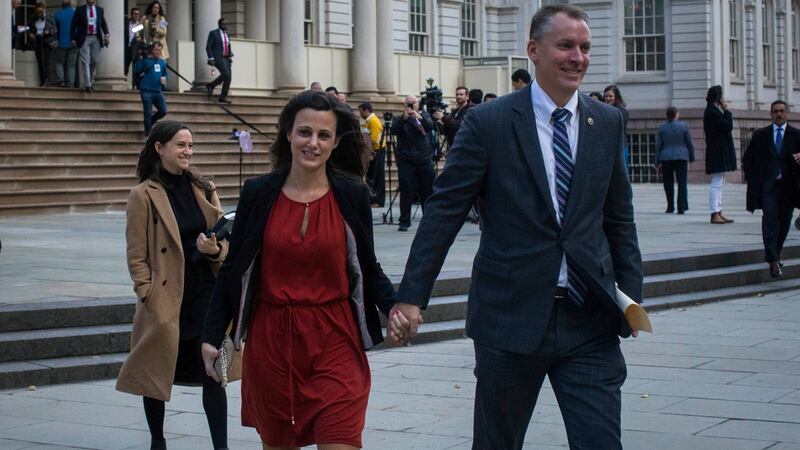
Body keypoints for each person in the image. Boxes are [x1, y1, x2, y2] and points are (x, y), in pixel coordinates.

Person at [388, 5, 643, 449]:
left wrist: (631, 296)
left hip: (590, 320)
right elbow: (444, 212)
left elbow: (619, 218)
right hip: (510, 320)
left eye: (584, 48)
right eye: (565, 45)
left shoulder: (606, 122)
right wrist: (411, 296)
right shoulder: (490, 122)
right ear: (533, 50)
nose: (577, 57)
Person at [201, 90, 400, 450]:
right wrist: (212, 334)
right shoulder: (258, 193)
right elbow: (233, 270)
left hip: (336, 338)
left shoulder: (351, 194)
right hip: (273, 344)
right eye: (304, 132)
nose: (313, 143)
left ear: (336, 142)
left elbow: (368, 267)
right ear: (288, 133)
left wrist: (397, 306)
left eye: (324, 135)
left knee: (340, 438)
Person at [116, 120, 231, 450]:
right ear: (159, 148)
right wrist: (146, 290)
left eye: (191, 146)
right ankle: (158, 440)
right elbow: (135, 253)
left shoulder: (204, 188)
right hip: (165, 297)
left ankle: (221, 446)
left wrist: (216, 249)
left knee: (213, 370)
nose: (187, 152)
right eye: (181, 145)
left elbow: (226, 240)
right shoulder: (143, 195)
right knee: (154, 371)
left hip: (203, 294)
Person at [743, 100, 799, 278]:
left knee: (784, 222)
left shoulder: (796, 135)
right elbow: (748, 159)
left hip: (789, 187)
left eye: (782, 111)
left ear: (787, 113)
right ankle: (773, 262)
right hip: (768, 187)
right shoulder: (761, 135)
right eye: (775, 111)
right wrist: (755, 179)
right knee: (770, 221)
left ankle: (775, 253)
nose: (779, 114)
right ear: (771, 114)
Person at [390, 95, 435, 232]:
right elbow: (394, 130)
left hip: (424, 159)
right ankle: (404, 221)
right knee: (406, 191)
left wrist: (417, 116)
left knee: (427, 191)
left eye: (413, 103)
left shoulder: (424, 116)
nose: (411, 105)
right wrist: (404, 118)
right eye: (408, 103)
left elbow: (429, 126)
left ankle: (428, 220)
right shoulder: (400, 118)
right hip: (406, 160)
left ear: (418, 104)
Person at [704, 85, 737, 224]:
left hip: (718, 150)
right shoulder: (712, 112)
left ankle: (718, 210)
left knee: (720, 182)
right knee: (716, 183)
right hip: (717, 151)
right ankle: (714, 212)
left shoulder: (713, 110)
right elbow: (728, 127)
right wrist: (727, 110)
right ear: (719, 98)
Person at [655, 106, 695, 214]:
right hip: (681, 157)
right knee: (682, 182)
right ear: (676, 114)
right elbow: (689, 143)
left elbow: (658, 145)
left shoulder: (662, 127)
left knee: (668, 183)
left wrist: (656, 161)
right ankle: (681, 207)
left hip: (666, 157)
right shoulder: (683, 126)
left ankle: (670, 206)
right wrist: (692, 156)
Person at [70, 0, 108, 93]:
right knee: (85, 60)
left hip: (96, 37)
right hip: (84, 37)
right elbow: (73, 25)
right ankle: (88, 85)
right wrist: (73, 39)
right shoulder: (80, 9)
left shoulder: (99, 9)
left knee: (95, 60)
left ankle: (89, 81)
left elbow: (103, 23)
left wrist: (107, 34)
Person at [134, 42, 168, 137]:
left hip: (158, 90)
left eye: (159, 50)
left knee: (163, 110)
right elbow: (136, 69)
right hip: (146, 89)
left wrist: (164, 78)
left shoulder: (162, 62)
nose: (158, 52)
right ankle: (148, 132)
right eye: (156, 50)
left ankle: (151, 121)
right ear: (152, 50)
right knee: (147, 111)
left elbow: (164, 73)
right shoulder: (145, 60)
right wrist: (139, 58)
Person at [359, 101, 386, 207]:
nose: (360, 114)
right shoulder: (368, 121)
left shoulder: (373, 121)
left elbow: (374, 139)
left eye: (361, 111)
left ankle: (378, 201)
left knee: (377, 176)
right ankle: (372, 199)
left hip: (377, 150)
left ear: (366, 110)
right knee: (371, 176)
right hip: (372, 150)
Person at [27, 2, 56, 86]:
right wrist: (30, 34)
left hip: (48, 42)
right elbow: (27, 28)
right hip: (38, 41)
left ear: (44, 10)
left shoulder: (50, 17)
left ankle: (48, 81)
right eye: (38, 13)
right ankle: (42, 81)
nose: (39, 15)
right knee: (40, 62)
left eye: (41, 13)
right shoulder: (32, 18)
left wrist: (49, 32)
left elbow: (55, 30)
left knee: (46, 62)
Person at [205, 18, 233, 104]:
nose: (226, 26)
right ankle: (211, 85)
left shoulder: (227, 35)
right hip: (218, 58)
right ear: (219, 24)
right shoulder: (213, 33)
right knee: (226, 75)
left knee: (228, 77)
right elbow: (208, 47)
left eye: (227, 24)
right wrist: (211, 58)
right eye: (224, 24)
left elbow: (227, 46)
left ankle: (222, 96)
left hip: (226, 59)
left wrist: (229, 56)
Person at [604, 84, 629, 170]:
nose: (608, 98)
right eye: (606, 96)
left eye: (611, 96)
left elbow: (618, 129)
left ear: (616, 97)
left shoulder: (621, 111)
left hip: (619, 147)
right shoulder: (605, 110)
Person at [52, 0, 76, 88]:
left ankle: (61, 81)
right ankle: (71, 84)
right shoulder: (75, 14)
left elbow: (55, 30)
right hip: (74, 42)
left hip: (61, 42)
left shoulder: (58, 14)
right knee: (71, 64)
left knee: (59, 62)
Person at [124, 7, 141, 79]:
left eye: (138, 14)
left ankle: (137, 85)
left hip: (136, 49)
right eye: (134, 13)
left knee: (137, 68)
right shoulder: (126, 23)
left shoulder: (141, 25)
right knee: (125, 67)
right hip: (126, 48)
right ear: (131, 14)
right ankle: (123, 81)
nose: (136, 15)